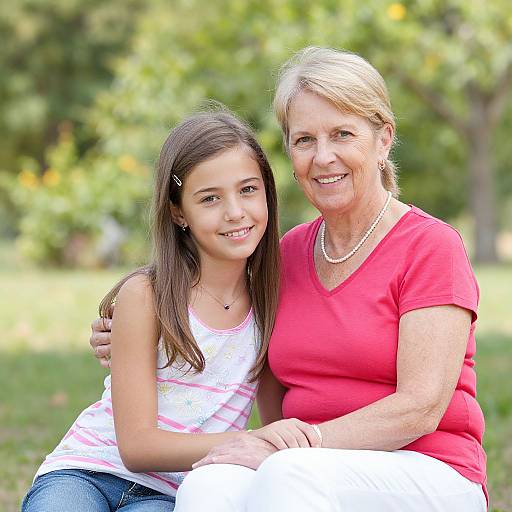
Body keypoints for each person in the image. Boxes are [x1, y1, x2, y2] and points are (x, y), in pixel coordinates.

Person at [90, 47, 488, 511]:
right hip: (305, 469)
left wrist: (298, 443)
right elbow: (219, 319)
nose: (323, 157)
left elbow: (420, 407)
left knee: (287, 472)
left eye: (343, 134)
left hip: (428, 470)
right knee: (208, 484)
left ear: (383, 140)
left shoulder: (430, 246)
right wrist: (125, 333)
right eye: (304, 140)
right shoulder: (287, 254)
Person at [22, 109, 322, 512]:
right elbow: (137, 447)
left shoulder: (271, 304)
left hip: (176, 492)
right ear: (178, 211)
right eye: (210, 198)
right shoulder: (147, 295)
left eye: (248, 189)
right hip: (87, 471)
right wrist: (247, 441)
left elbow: (272, 421)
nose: (235, 211)